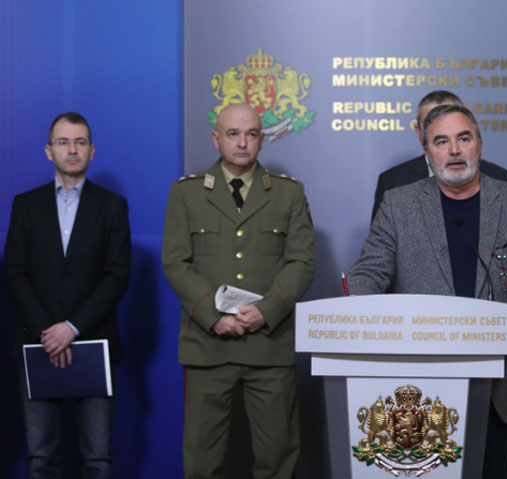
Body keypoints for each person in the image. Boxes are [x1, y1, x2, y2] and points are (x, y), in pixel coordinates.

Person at [347, 104, 507, 478]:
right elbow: (367, 275)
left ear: (479, 143)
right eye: (441, 141)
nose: (454, 150)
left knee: (490, 471)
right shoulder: (398, 204)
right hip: (420, 379)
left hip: (497, 380)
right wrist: (362, 311)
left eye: (463, 138)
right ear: (427, 151)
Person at [161, 103, 315, 479]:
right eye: (233, 134)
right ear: (217, 139)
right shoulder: (186, 193)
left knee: (278, 461)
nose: (242, 142)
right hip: (208, 346)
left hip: (269, 344)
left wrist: (268, 309)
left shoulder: (288, 192)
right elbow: (175, 262)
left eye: (251, 134)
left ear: (262, 139)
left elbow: (302, 262)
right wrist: (214, 317)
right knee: (202, 463)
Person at [4, 112, 131, 478]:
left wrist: (71, 328)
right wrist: (49, 332)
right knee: (41, 458)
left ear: (92, 150)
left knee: (98, 460)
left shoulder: (112, 205)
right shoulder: (25, 205)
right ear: (49, 151)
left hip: (93, 342)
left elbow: (117, 276)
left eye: (80, 142)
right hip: (38, 343)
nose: (72, 150)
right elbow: (14, 273)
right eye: (63, 142)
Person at [371, 90, 507, 221]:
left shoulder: (497, 176)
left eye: (462, 138)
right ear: (419, 132)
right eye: (431, 122)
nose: (454, 149)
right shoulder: (393, 182)